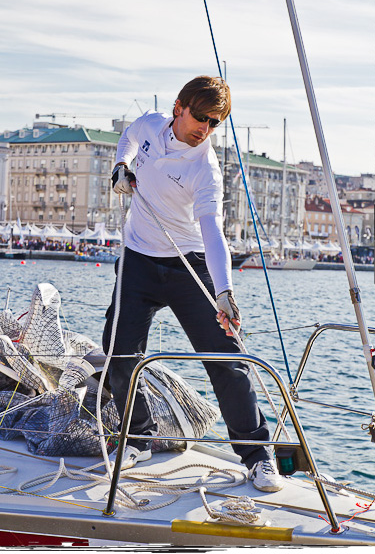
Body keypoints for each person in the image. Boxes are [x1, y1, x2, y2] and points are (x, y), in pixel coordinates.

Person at [102, 76, 283, 492]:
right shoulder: (150, 124)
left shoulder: (205, 169)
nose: (206, 128)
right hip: (138, 259)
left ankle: (257, 455)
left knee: (226, 360)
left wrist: (224, 292)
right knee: (119, 352)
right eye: (201, 117)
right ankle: (138, 437)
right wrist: (121, 165)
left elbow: (213, 232)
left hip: (190, 264)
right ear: (178, 108)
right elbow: (128, 137)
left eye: (215, 122)